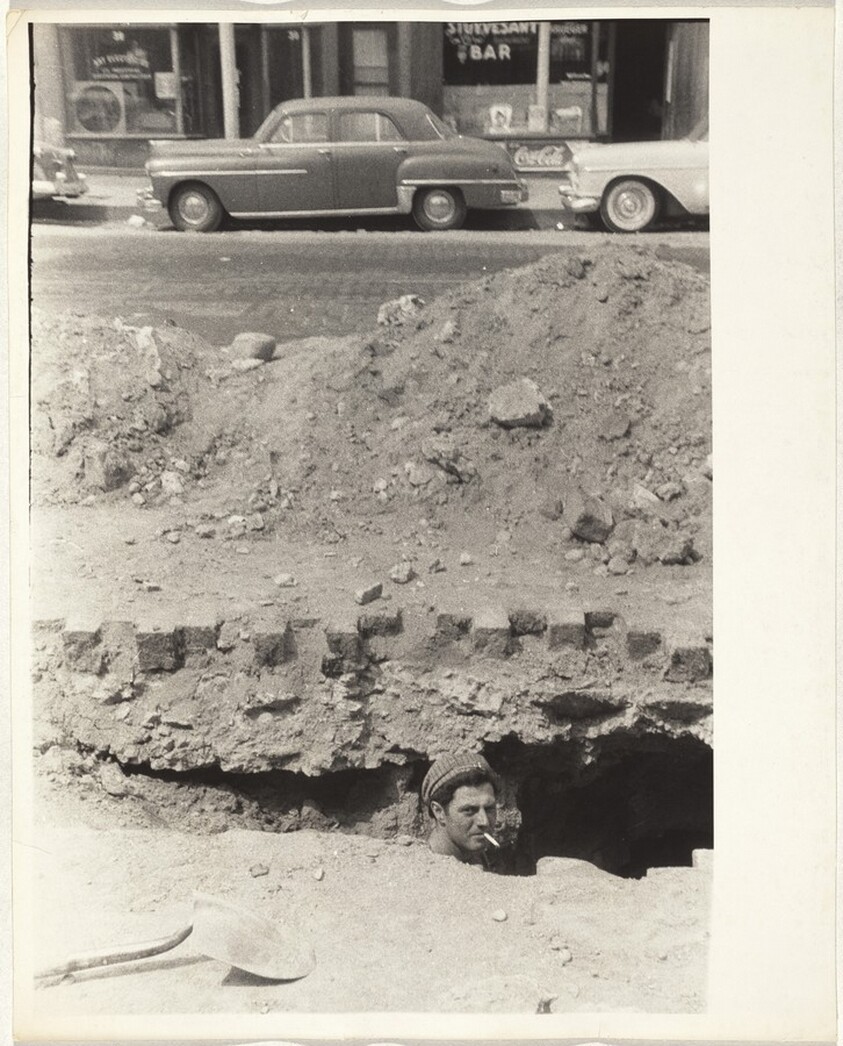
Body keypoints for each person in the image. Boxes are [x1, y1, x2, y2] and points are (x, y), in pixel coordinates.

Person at [421, 753, 501, 866]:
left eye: (489, 809)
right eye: (469, 810)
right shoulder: (426, 870)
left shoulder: (477, 857)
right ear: (439, 812)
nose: (484, 822)